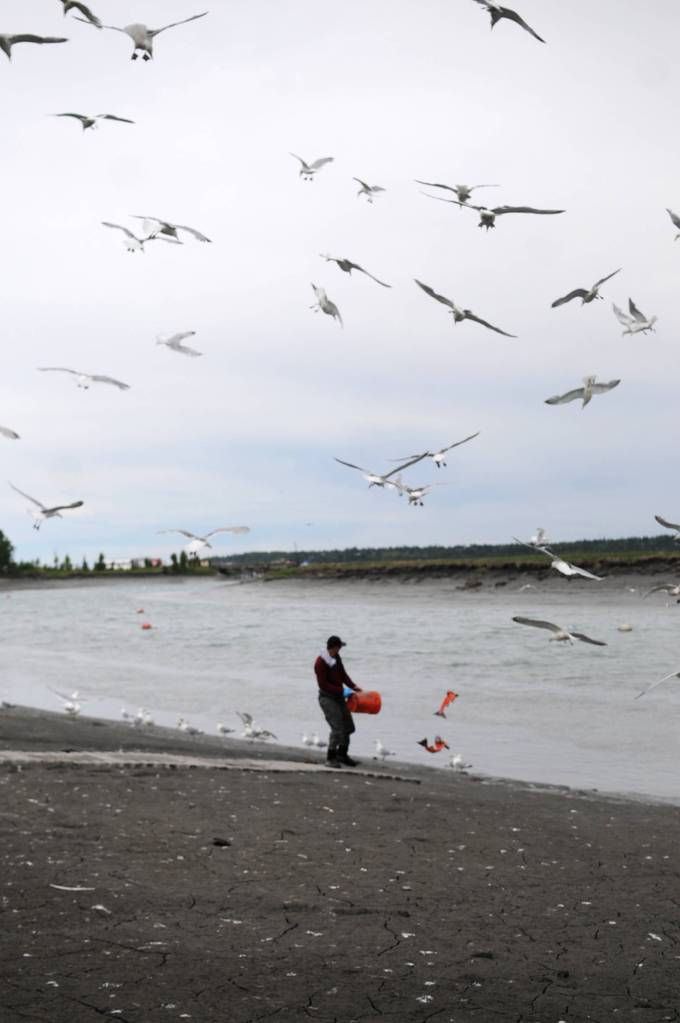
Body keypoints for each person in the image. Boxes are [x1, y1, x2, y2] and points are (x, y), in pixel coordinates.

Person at [314, 635, 362, 768]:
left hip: (338, 697)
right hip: (327, 698)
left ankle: (342, 754)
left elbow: (342, 674)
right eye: (339, 646)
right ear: (334, 647)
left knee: (349, 727)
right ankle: (330, 757)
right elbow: (322, 684)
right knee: (337, 728)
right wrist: (340, 690)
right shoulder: (320, 662)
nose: (340, 649)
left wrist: (353, 686)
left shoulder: (336, 657)